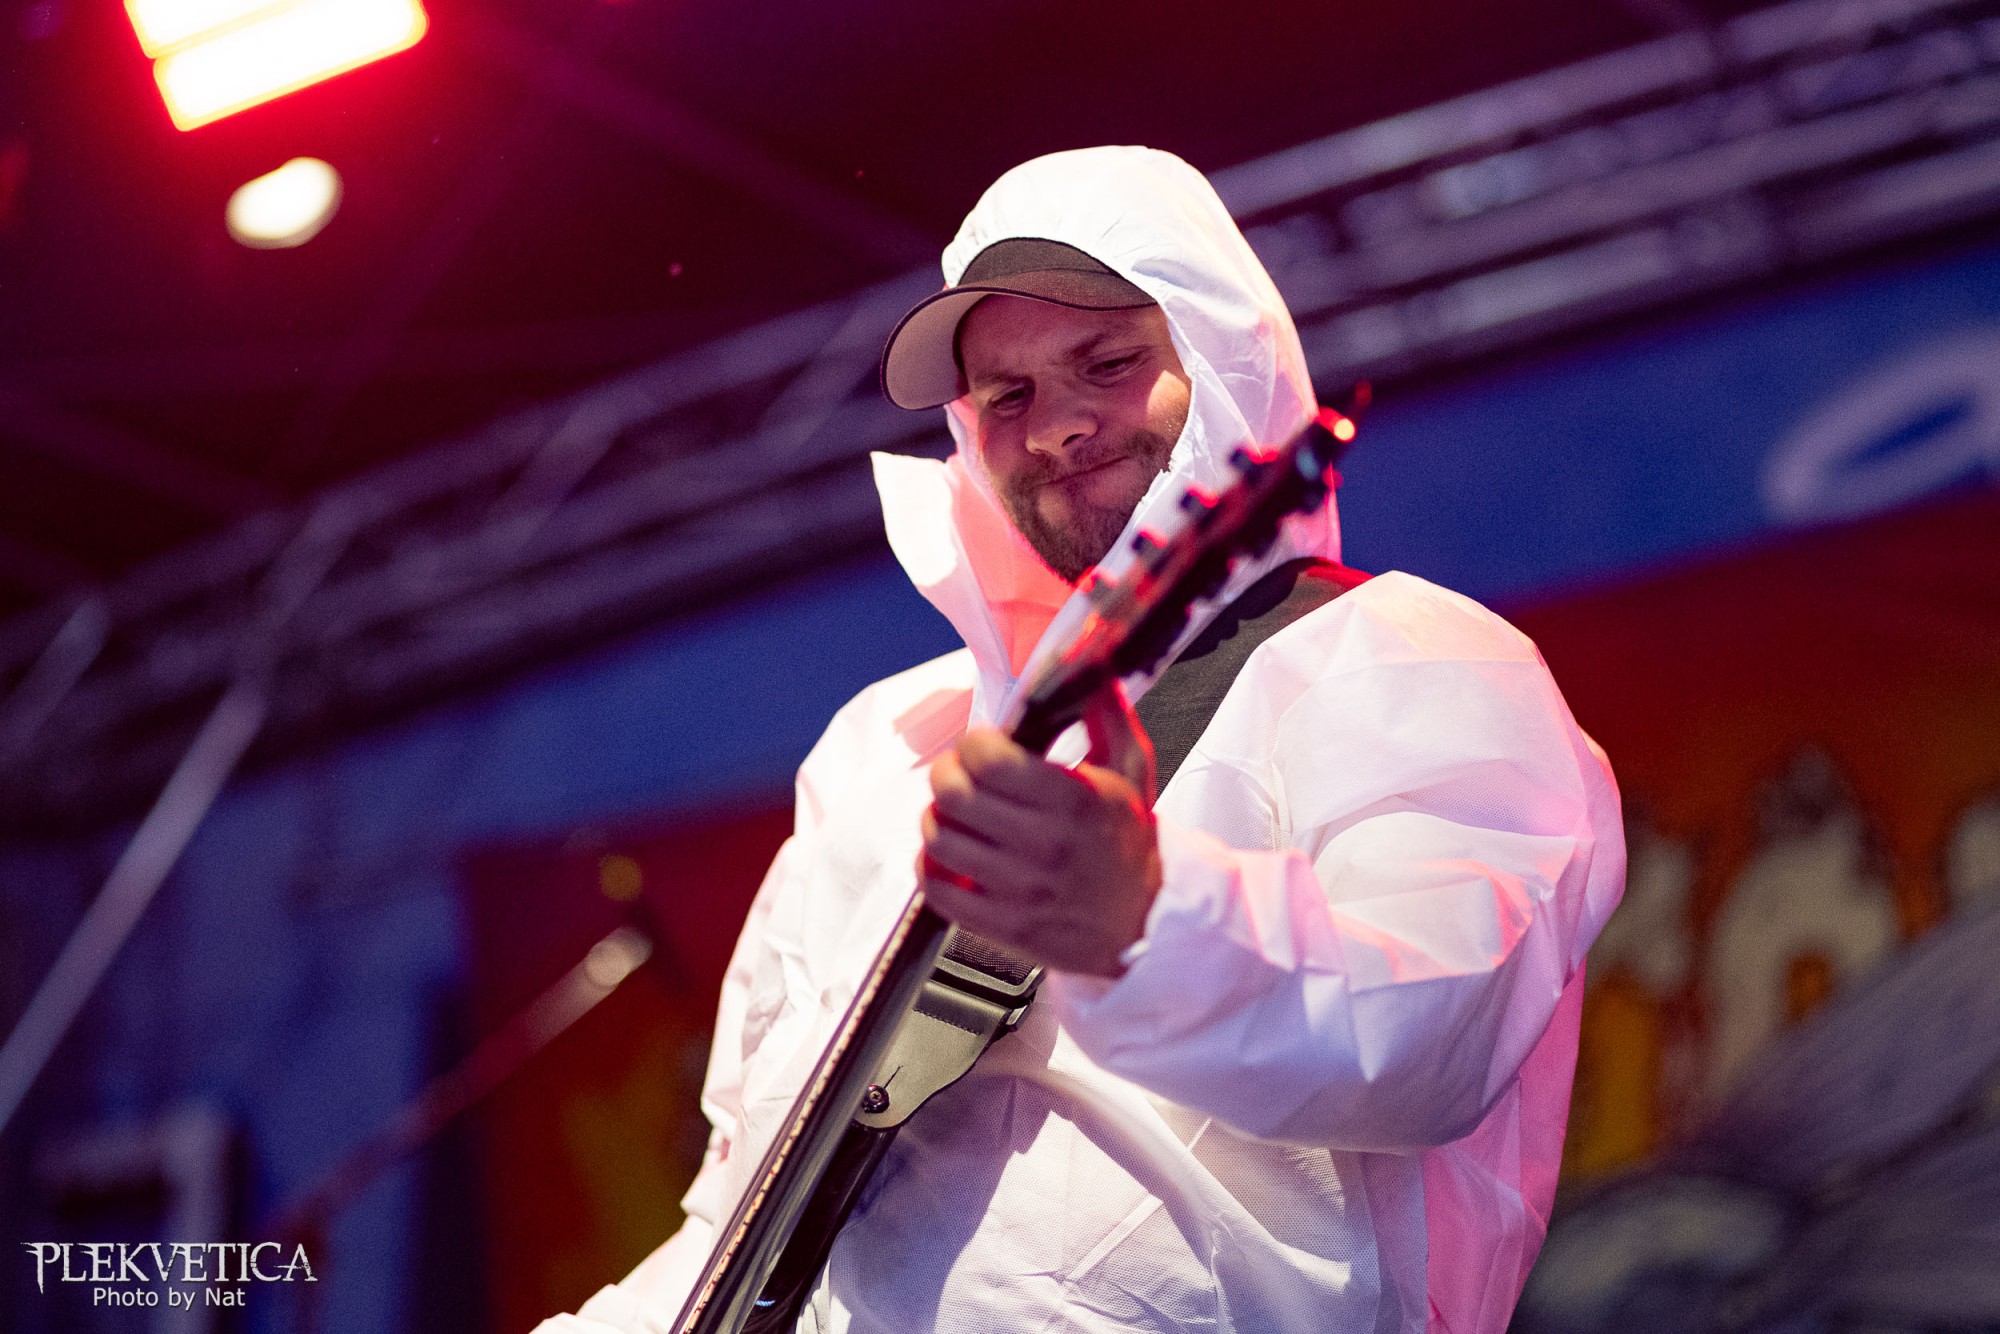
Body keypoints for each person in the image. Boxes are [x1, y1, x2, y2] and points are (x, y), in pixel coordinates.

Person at [535, 146, 1624, 1334]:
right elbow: (743, 1209)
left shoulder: (1403, 654)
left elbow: (1430, 1026)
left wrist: (1145, 916)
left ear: (1222, 359)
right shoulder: (882, 745)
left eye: (1106, 363)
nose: (1053, 425)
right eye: (1004, 395)